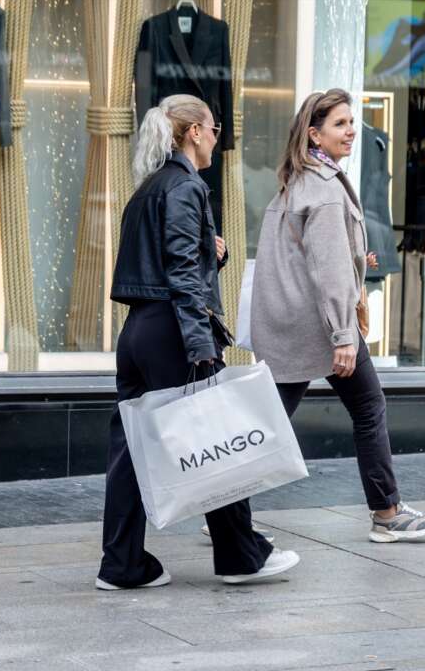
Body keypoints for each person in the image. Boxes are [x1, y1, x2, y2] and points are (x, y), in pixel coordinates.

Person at [96, 94, 301, 591]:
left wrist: (214, 255)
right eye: (213, 127)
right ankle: (241, 557)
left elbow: (163, 260)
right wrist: (200, 344)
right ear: (192, 132)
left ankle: (121, 565)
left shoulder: (149, 187)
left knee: (131, 449)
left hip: (138, 331)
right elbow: (182, 272)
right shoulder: (187, 187)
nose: (217, 135)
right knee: (215, 437)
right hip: (174, 330)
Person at [252, 88, 425, 543]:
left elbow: (315, 256)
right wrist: (343, 334)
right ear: (314, 133)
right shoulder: (323, 190)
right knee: (367, 407)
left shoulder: (299, 180)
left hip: (290, 324)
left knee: (269, 423)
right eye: (340, 124)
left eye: (352, 122)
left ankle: (223, 510)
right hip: (320, 326)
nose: (352, 131)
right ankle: (386, 514)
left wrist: (360, 257)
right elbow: (329, 268)